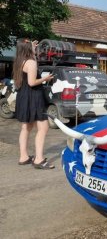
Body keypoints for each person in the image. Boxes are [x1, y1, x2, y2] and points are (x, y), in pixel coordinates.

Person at [12, 39, 54, 169]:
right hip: (33, 97)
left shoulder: (19, 61)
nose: (34, 46)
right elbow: (32, 82)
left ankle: (23, 157)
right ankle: (39, 160)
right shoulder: (31, 62)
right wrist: (45, 79)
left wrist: (33, 51)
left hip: (24, 96)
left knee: (26, 127)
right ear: (27, 48)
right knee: (43, 127)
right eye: (32, 45)